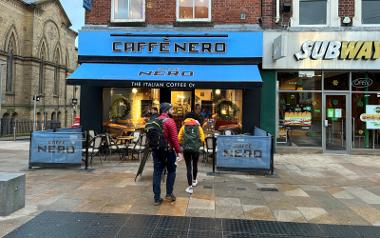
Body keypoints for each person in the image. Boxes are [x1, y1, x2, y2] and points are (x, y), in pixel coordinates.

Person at [152, 103, 183, 206]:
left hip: (156, 151)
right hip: (168, 151)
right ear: (167, 110)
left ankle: (157, 198)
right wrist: (179, 152)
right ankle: (169, 194)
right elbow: (174, 138)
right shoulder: (170, 121)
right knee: (172, 171)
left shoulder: (154, 121)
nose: (173, 111)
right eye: (172, 109)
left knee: (157, 172)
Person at [178, 112, 205, 194]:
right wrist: (198, 145)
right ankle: (194, 180)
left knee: (188, 167)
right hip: (195, 149)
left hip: (186, 149)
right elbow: (202, 138)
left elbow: (179, 138)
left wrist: (183, 144)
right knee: (195, 164)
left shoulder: (183, 126)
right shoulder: (198, 126)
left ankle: (190, 186)